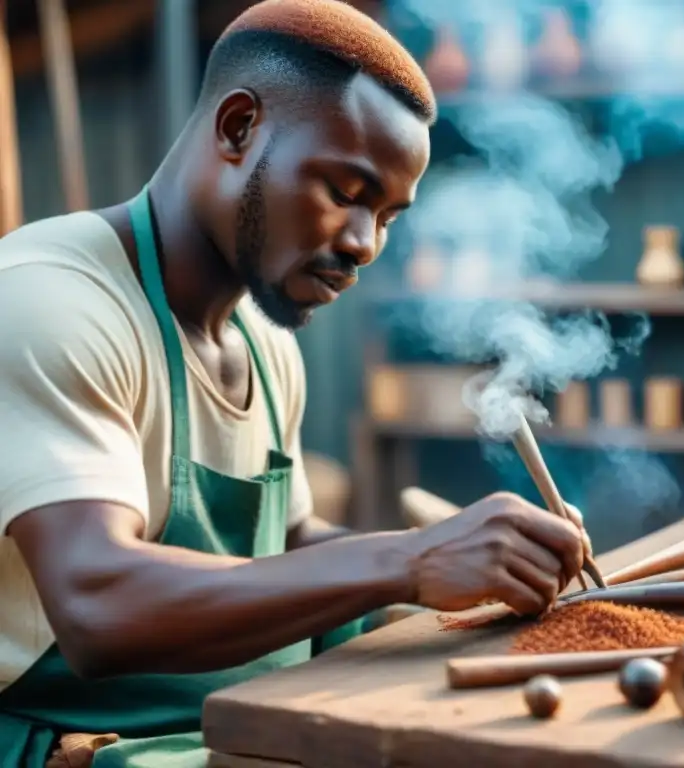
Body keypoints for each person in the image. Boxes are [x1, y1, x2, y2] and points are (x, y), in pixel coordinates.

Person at [0, 1, 588, 766]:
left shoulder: (264, 341)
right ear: (239, 128)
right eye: (346, 192)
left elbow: (289, 547)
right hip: (88, 747)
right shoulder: (49, 299)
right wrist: (408, 560)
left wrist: (471, 562)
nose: (365, 243)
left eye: (387, 216)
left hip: (245, 727)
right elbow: (96, 603)